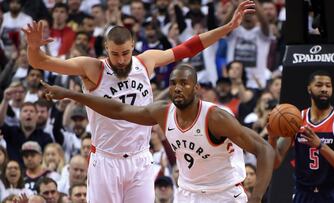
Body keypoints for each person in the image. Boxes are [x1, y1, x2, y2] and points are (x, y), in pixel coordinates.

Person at [22, 1, 256, 202]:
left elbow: (188, 48)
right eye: (115, 54)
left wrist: (227, 27)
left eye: (125, 53)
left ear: (133, 47)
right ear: (106, 49)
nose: (121, 60)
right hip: (106, 159)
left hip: (140, 158)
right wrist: (33, 47)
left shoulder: (146, 62)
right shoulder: (92, 68)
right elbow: (41, 62)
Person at [40, 64, 274, 203]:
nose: (178, 88)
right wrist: (71, 95)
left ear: (197, 88)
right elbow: (118, 109)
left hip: (224, 194)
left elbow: (264, 149)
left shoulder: (216, 117)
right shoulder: (163, 112)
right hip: (187, 194)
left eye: (184, 83)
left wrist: (256, 199)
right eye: (173, 83)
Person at [267, 71, 334, 203]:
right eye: (319, 85)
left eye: (328, 86)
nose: (324, 89)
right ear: (309, 89)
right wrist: (272, 138)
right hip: (304, 194)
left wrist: (320, 145)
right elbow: (275, 162)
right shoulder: (296, 120)